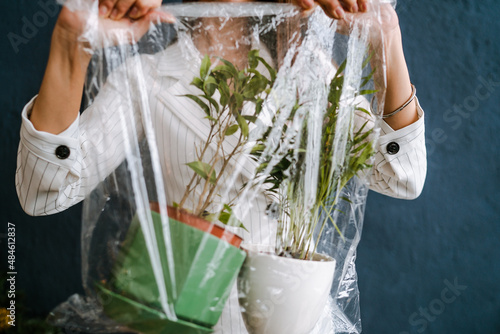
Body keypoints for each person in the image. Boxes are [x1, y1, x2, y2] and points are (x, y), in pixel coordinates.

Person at [15, 0, 426, 332]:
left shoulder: (309, 70)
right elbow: (42, 193)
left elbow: (401, 176)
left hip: (297, 322)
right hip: (187, 316)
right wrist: (73, 41)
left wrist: (385, 37)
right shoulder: (149, 78)